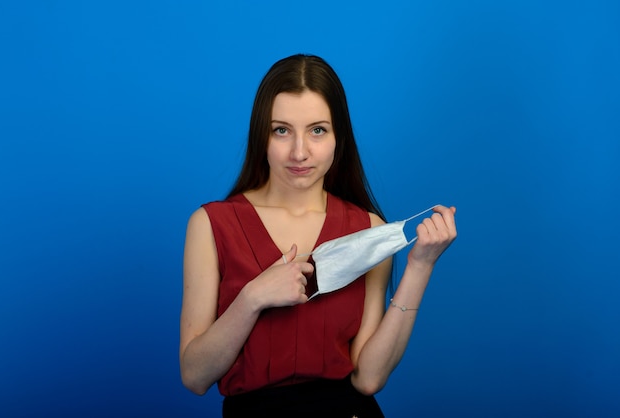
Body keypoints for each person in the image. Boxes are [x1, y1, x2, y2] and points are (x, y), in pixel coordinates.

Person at [179, 54, 457, 417]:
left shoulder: (369, 229)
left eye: (317, 130)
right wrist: (251, 298)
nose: (299, 152)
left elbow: (368, 378)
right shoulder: (210, 224)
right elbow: (195, 376)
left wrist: (420, 266)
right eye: (282, 130)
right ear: (261, 135)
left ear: (338, 137)